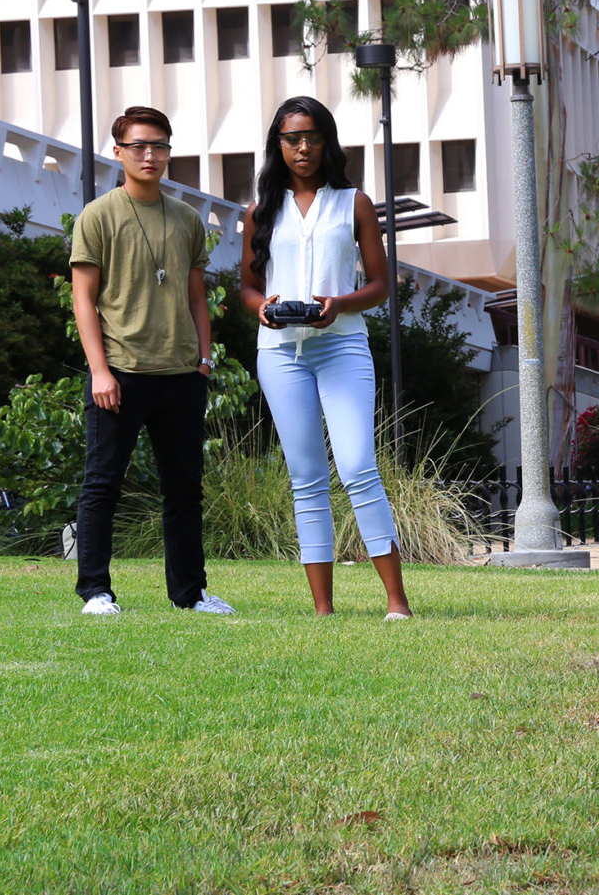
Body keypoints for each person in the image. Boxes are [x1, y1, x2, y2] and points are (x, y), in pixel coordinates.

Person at [239, 96, 412, 620]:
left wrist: (339, 304)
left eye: (312, 136)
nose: (303, 147)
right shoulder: (260, 212)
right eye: (292, 138)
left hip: (342, 344)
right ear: (278, 145)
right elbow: (246, 287)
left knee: (359, 464)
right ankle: (322, 609)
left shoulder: (353, 203)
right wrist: (263, 309)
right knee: (307, 475)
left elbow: (381, 284)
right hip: (280, 354)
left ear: (327, 141)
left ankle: (397, 602)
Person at [69, 105, 234, 616]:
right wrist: (99, 370)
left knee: (184, 489)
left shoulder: (187, 219)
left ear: (168, 153)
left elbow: (196, 297)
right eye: (138, 146)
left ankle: (191, 594)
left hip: (181, 374)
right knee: (103, 484)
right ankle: (96, 591)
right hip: (120, 372)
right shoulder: (97, 216)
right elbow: (83, 299)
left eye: (159, 145)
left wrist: (204, 359)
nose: (149, 154)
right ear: (118, 153)